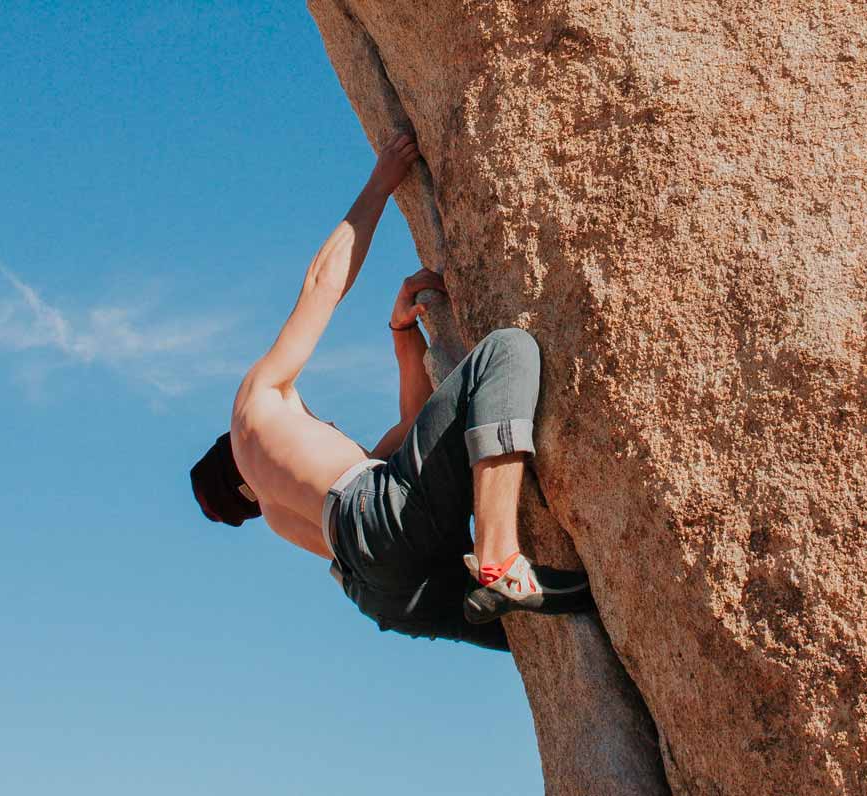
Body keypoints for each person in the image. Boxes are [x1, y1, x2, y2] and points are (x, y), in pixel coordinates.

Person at [189, 133, 592, 651]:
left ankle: (518, 591)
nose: (327, 424)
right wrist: (381, 182)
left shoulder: (282, 513)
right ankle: (499, 559)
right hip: (378, 519)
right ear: (228, 449)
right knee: (506, 350)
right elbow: (321, 287)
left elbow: (414, 434)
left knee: (553, 638)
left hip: (385, 591)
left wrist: (403, 336)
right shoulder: (253, 405)